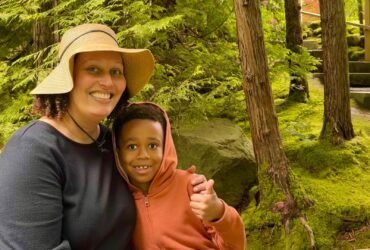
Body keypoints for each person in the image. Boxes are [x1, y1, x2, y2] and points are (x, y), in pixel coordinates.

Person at [0, 23, 206, 250]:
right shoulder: (32, 152)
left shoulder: (113, 143)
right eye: (93, 69)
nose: (108, 82)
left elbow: (152, 195)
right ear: (68, 78)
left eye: (116, 72)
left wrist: (189, 187)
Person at [113, 102, 246, 249]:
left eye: (152, 146)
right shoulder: (118, 198)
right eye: (132, 146)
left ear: (166, 146)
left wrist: (218, 212)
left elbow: (234, 246)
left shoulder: (191, 187)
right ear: (118, 151)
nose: (143, 155)